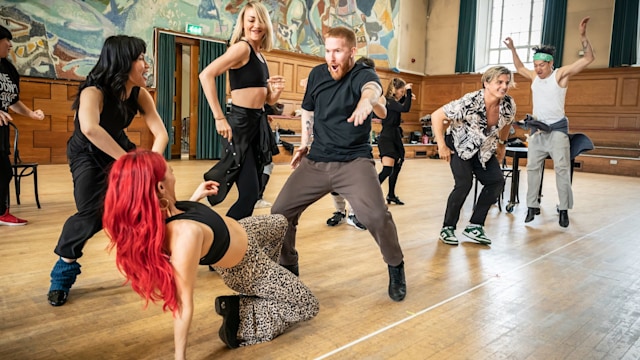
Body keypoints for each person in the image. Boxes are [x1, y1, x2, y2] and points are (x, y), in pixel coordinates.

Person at [103, 150, 318, 358]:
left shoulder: (168, 208)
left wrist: (196, 196)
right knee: (308, 305)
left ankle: (264, 292)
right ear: (160, 187)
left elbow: (181, 218)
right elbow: (182, 303)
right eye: (168, 169)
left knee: (279, 222)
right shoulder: (185, 236)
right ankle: (240, 317)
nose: (171, 169)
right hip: (248, 267)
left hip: (245, 231)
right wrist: (180, 357)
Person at [271, 27, 406, 302]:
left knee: (376, 217)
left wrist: (367, 102)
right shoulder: (318, 75)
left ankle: (396, 265)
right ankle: (289, 267)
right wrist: (304, 144)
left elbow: (372, 89)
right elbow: (308, 111)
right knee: (279, 213)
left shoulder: (362, 75)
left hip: (354, 161)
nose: (331, 57)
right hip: (317, 160)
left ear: (352, 52)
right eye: (328, 50)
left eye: (338, 51)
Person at [46, 35, 169, 307]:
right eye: (140, 59)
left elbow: (161, 134)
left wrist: (149, 168)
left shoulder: (139, 93)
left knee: (143, 205)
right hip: (87, 152)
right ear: (123, 61)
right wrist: (129, 163)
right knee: (91, 215)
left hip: (118, 147)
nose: (146, 65)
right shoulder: (94, 91)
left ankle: (150, 265)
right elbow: (90, 129)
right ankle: (62, 275)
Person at [504, 17, 595, 228]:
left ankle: (563, 209)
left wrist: (582, 36)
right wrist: (513, 49)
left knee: (562, 169)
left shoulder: (560, 75)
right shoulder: (535, 78)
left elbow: (589, 58)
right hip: (538, 131)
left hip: (557, 131)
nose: (537, 69)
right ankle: (531, 207)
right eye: (535, 65)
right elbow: (518, 67)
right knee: (533, 169)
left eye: (542, 65)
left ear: (551, 63)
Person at [200, 1, 285, 220]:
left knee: (253, 193)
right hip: (240, 126)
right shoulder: (241, 48)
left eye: (260, 20)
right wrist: (219, 117)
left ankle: (235, 241)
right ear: (243, 24)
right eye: (251, 20)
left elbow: (264, 100)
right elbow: (206, 75)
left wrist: (274, 93)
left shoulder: (260, 55)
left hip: (257, 125)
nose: (256, 25)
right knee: (248, 195)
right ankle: (223, 240)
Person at [432, 66, 516, 246]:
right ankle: (447, 228)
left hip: (484, 148)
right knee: (464, 184)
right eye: (499, 82)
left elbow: (507, 123)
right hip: (459, 145)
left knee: (496, 181)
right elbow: (437, 116)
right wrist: (441, 146)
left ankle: (475, 225)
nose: (504, 86)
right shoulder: (470, 101)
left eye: (506, 83)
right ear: (486, 83)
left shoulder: (508, 104)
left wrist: (502, 144)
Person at [325, 56, 386, 231]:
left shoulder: (374, 88)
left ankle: (354, 214)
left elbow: (383, 113)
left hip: (358, 143)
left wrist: (370, 101)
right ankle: (339, 211)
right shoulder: (343, 84)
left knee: (355, 182)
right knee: (334, 183)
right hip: (335, 141)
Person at [0, 25, 45, 226]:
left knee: (4, 171)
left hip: (2, 130)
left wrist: (31, 114)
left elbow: (12, 100)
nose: (10, 45)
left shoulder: (8, 69)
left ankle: (2, 212)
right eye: (5, 40)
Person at [378, 77, 415, 205]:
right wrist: (409, 93)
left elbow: (401, 106)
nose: (402, 93)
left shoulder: (393, 102)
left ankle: (391, 195)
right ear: (394, 90)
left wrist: (406, 96)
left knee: (397, 166)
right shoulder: (388, 101)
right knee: (387, 169)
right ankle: (370, 192)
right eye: (401, 91)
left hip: (395, 137)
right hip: (387, 137)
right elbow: (405, 108)